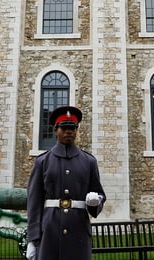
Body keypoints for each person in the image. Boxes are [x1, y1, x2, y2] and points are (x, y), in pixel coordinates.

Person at [26, 105, 105, 260]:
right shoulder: (43, 161)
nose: (69, 131)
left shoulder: (89, 161)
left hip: (79, 229)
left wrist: (95, 203)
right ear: (56, 130)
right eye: (64, 128)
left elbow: (99, 194)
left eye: (72, 128)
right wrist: (32, 238)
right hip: (50, 230)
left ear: (76, 130)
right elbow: (34, 202)